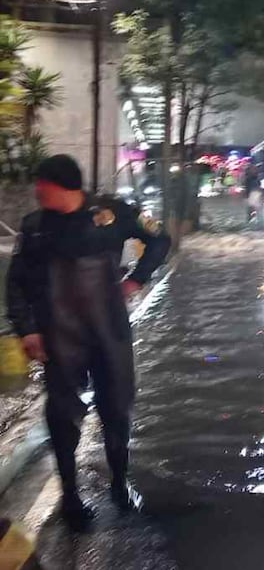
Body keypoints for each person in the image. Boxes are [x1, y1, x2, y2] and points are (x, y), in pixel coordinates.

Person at [5, 155, 171, 532]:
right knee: (62, 418)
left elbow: (160, 238)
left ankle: (119, 483)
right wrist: (27, 329)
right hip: (60, 336)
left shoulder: (111, 214)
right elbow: (16, 283)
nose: (36, 191)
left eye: (41, 185)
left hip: (108, 332)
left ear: (61, 187)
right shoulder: (35, 228)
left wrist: (137, 279)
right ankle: (70, 496)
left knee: (117, 409)